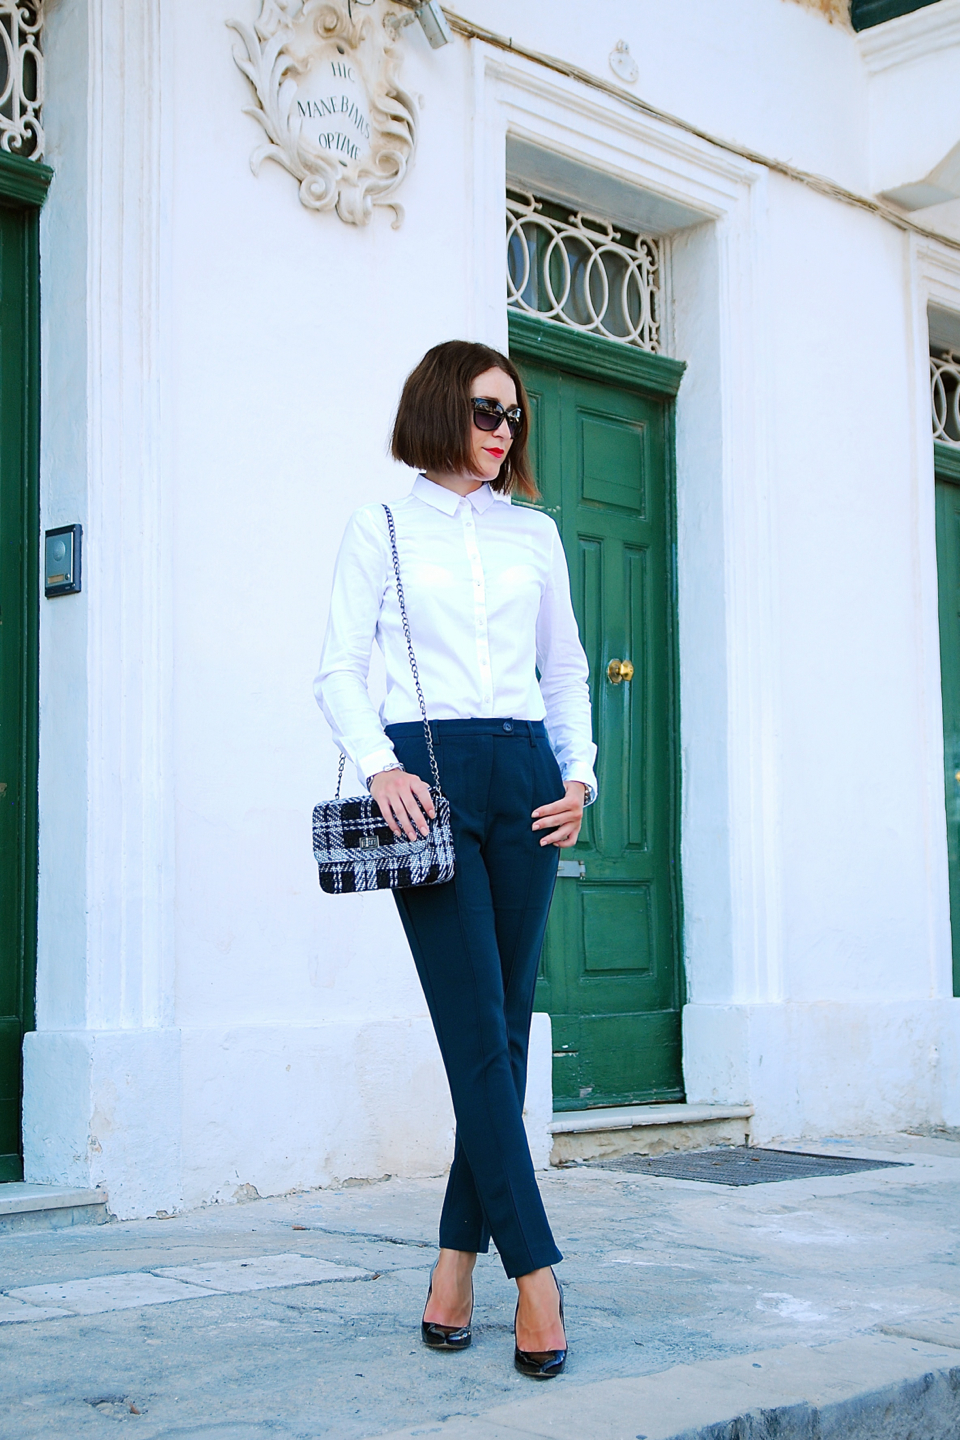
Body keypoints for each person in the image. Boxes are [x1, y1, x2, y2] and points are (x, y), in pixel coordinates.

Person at [315, 340, 597, 1378]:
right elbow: (338, 669)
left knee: (503, 1033)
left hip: (526, 776)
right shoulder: (380, 526)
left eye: (514, 416)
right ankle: (537, 1275)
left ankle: (451, 1266)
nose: (503, 431)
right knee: (476, 1031)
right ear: (441, 407)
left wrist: (581, 779)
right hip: (426, 782)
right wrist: (378, 764)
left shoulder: (535, 534)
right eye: (486, 410)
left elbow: (564, 671)